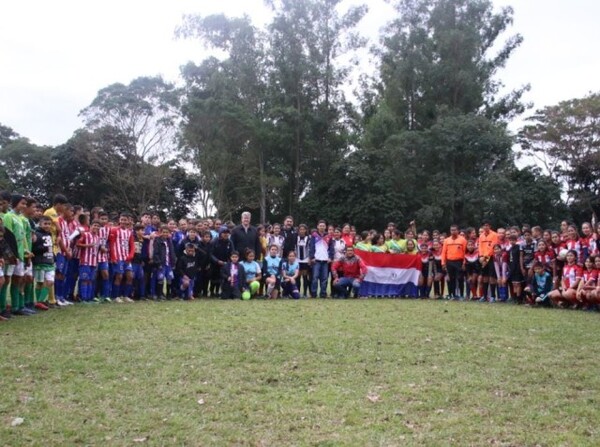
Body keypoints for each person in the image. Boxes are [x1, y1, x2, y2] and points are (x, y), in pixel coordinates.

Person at [108, 212, 135, 303]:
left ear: (128, 221)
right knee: (119, 276)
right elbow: (111, 245)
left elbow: (132, 245)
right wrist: (113, 257)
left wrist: (130, 256)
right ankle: (115, 296)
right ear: (119, 220)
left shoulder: (129, 232)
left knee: (130, 276)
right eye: (122, 219)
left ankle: (125, 296)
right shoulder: (114, 230)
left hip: (126, 258)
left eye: (125, 220)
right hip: (118, 257)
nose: (123, 221)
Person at [31, 216, 55, 310]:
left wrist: (53, 256)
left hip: (49, 261)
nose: (47, 226)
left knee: (50, 281)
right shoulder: (37, 234)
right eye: (45, 224)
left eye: (49, 224)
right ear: (40, 224)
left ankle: (40, 301)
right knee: (40, 282)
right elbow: (34, 249)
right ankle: (39, 301)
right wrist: (44, 249)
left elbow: (50, 248)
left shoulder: (49, 234)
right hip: (40, 262)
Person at [76, 220, 101, 303]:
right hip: (85, 261)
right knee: (84, 279)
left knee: (91, 280)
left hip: (93, 262)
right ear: (91, 226)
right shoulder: (85, 235)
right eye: (95, 225)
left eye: (98, 226)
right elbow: (78, 244)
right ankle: (83, 298)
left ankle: (89, 298)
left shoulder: (98, 237)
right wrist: (88, 245)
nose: (96, 227)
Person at [441, 224, 467, 300]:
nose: (453, 232)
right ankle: (451, 294)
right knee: (450, 279)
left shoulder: (463, 240)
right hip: (449, 262)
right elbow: (443, 252)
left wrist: (464, 263)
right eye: (452, 230)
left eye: (455, 230)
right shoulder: (446, 240)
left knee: (460, 278)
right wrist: (443, 263)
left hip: (459, 261)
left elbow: (465, 252)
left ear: (458, 231)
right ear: (450, 231)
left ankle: (461, 295)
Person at [309, 220, 334, 298]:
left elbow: (331, 248)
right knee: (315, 278)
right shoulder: (314, 235)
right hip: (316, 260)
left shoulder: (329, 237)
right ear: (317, 226)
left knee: (324, 278)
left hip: (325, 260)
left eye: (323, 226)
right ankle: (313, 294)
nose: (322, 227)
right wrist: (312, 257)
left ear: (325, 227)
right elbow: (311, 247)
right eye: (320, 226)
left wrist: (330, 257)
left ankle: (323, 294)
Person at [152, 225, 177, 301]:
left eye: (167, 232)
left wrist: (173, 262)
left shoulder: (169, 241)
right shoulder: (157, 241)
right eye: (163, 232)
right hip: (161, 263)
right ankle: (159, 295)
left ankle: (168, 294)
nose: (165, 234)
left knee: (169, 279)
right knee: (160, 279)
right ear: (160, 232)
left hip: (169, 264)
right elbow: (155, 253)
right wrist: (158, 263)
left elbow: (172, 252)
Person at [477, 221, 499, 302]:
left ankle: (493, 296)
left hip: (491, 258)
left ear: (490, 226)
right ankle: (484, 296)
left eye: (487, 225)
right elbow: (480, 247)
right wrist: (481, 256)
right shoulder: (481, 236)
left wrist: (485, 258)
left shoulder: (494, 235)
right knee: (485, 278)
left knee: (492, 278)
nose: (485, 227)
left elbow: (493, 247)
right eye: (484, 226)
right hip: (483, 259)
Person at [210, 226, 233, 297]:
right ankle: (211, 292)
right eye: (224, 233)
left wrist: (229, 262)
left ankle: (218, 292)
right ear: (220, 233)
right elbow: (210, 254)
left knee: (222, 278)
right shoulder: (214, 241)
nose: (226, 234)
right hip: (215, 263)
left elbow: (232, 253)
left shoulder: (229, 242)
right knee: (214, 279)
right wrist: (217, 261)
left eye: (227, 233)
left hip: (225, 264)